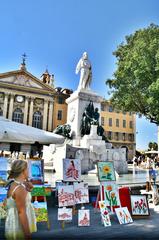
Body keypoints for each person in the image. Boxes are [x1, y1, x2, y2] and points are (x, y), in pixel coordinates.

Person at [5, 160, 37, 240]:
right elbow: (21, 212)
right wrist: (27, 234)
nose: (29, 171)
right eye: (28, 169)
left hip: (13, 222)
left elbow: (28, 190)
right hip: (19, 225)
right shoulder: (20, 189)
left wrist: (27, 181)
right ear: (23, 171)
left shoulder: (14, 183)